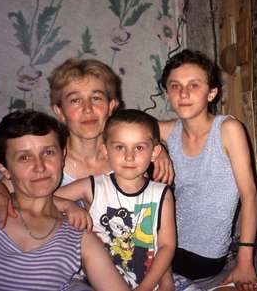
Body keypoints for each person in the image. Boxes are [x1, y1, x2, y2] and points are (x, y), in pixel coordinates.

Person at [0, 58, 174, 233]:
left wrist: (157, 147)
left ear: (111, 106)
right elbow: (0, 191)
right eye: (75, 100)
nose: (87, 109)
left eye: (96, 98)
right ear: (59, 111)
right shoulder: (47, 160)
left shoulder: (128, 159)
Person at [0, 110, 130, 291]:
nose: (39, 167)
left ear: (63, 155)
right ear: (3, 168)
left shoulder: (80, 234)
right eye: (24, 157)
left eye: (48, 153)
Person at [158, 49, 257, 290]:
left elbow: (250, 196)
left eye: (194, 85)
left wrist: (245, 260)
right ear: (167, 94)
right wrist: (154, 145)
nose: (183, 93)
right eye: (175, 86)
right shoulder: (169, 131)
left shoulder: (227, 130)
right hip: (166, 242)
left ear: (211, 93)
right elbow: (123, 124)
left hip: (203, 256)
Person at [55, 109, 176, 290]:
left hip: (148, 280)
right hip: (93, 281)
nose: (129, 156)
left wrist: (147, 287)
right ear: (105, 151)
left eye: (139, 147)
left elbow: (166, 245)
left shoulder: (162, 194)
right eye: (120, 147)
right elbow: (41, 200)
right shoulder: (92, 186)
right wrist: (67, 205)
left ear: (154, 152)